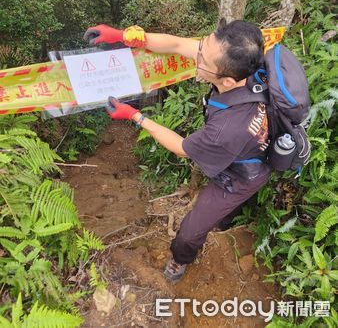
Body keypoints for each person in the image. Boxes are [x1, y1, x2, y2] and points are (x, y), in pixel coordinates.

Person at [83, 19, 272, 283]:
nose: (197, 56)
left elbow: (182, 147)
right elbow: (176, 44)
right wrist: (123, 35)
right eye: (203, 46)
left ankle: (180, 260)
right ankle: (229, 215)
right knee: (224, 207)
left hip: (242, 176)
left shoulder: (224, 131)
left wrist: (135, 116)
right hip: (245, 146)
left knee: (190, 231)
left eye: (202, 59)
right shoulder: (247, 64)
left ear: (227, 81)